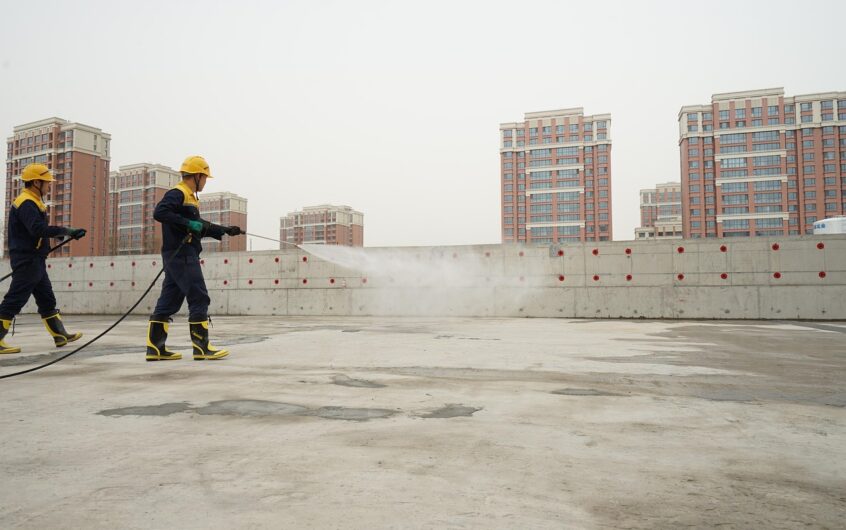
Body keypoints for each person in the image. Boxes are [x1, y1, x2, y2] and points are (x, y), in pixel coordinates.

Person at [146, 155, 243, 361]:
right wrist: (188, 224)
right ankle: (202, 348)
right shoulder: (178, 193)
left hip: (176, 254)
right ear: (197, 176)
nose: (206, 181)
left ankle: (155, 349)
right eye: (205, 177)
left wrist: (224, 230)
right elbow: (160, 212)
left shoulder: (190, 196)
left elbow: (197, 225)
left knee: (169, 301)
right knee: (199, 296)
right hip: (182, 253)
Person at [0, 163, 86, 354]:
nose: (49, 186)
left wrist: (63, 234)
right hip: (27, 260)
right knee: (14, 300)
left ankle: (60, 335)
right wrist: (66, 231)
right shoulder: (26, 203)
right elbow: (37, 229)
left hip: (35, 260)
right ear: (36, 182)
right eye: (47, 183)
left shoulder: (33, 201)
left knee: (47, 299)